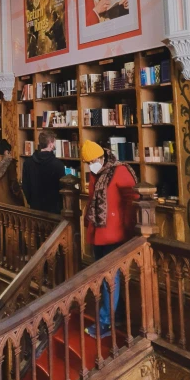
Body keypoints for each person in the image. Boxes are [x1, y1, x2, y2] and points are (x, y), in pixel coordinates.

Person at [81, 140, 138, 338]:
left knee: (109, 278)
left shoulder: (120, 171)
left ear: (102, 157)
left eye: (93, 160)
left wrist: (129, 228)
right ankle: (116, 313)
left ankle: (106, 321)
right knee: (104, 276)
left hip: (115, 233)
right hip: (99, 232)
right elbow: (91, 200)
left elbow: (133, 199)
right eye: (87, 162)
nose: (91, 164)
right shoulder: (94, 173)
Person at [22, 129, 65, 214]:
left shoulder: (27, 163)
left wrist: (31, 201)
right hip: (54, 210)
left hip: (35, 207)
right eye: (54, 142)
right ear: (51, 144)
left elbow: (25, 186)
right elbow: (62, 189)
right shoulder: (58, 164)